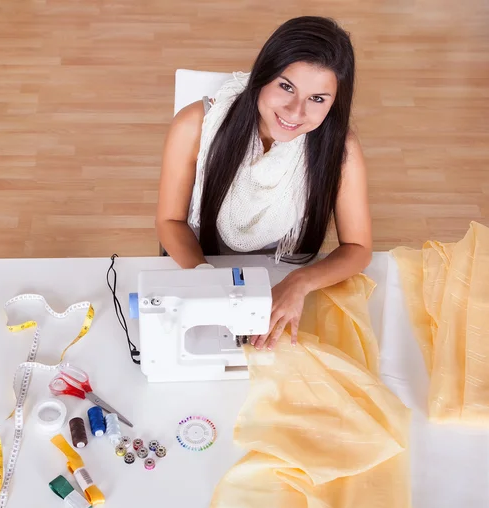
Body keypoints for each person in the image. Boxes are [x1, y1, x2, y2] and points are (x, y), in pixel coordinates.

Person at [155, 16, 372, 351]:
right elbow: (170, 221)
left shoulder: (341, 147)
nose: (295, 111)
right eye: (286, 87)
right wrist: (205, 276)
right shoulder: (195, 125)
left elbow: (358, 249)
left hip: (282, 271)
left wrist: (299, 282)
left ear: (334, 103)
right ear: (262, 75)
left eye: (317, 99)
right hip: (201, 262)